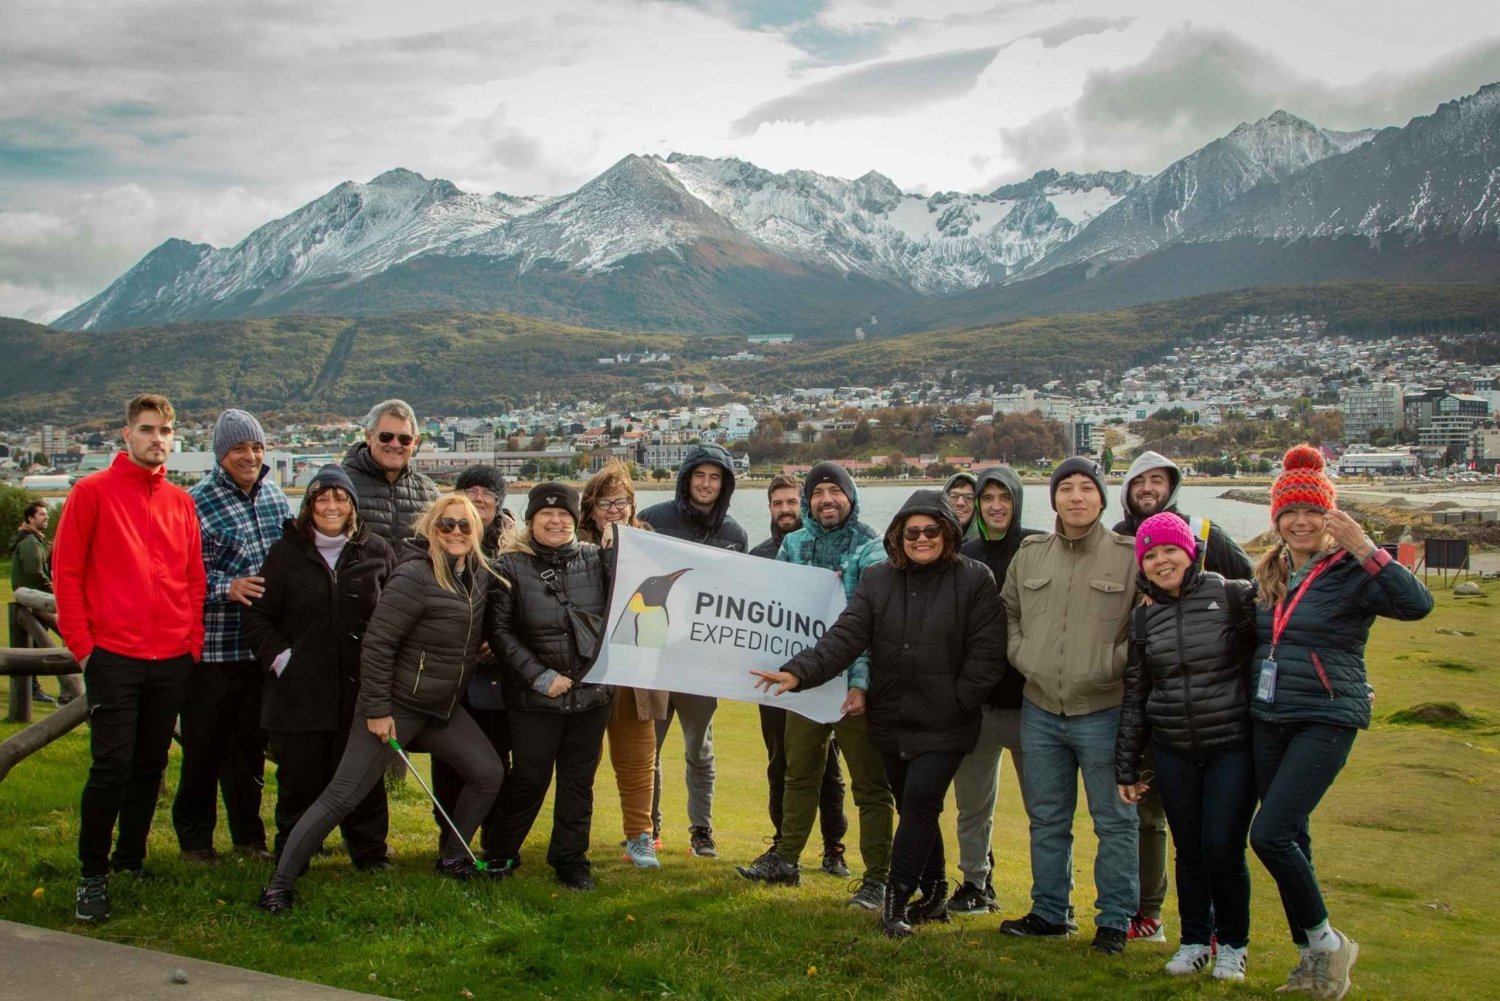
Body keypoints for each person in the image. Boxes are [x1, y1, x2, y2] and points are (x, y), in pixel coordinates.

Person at [753, 490, 1005, 938]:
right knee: (912, 806)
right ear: (899, 535)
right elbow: (845, 637)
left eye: (931, 530)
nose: (922, 539)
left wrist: (959, 701)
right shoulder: (878, 580)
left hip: (947, 723)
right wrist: (797, 673)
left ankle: (895, 901)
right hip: (892, 719)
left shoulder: (975, 579)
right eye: (912, 532)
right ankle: (934, 892)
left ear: (948, 532)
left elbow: (987, 656)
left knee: (922, 803)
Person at [255, 494, 504, 913]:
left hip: (440, 709)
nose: (456, 532)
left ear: (476, 531)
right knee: (342, 795)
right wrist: (377, 710)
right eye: (446, 525)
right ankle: (279, 884)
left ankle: (453, 857)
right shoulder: (414, 577)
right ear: (431, 530)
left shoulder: (478, 577)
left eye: (464, 525)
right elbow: (377, 644)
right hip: (397, 706)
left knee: (488, 772)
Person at [1247, 445, 1432, 999]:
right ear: (1277, 518)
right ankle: (1312, 960)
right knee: (1294, 837)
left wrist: (1370, 549)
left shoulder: (1353, 570)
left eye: (1312, 512)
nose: (1301, 522)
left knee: (1270, 834)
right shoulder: (1271, 570)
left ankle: (1329, 944)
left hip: (1325, 715)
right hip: (1268, 716)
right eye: (1290, 513)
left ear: (1330, 517)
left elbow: (1417, 605)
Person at [52, 394, 205, 923]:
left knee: (150, 764)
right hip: (113, 654)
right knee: (111, 765)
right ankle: (92, 874)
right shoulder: (90, 492)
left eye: (165, 430)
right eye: (147, 429)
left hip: (171, 656)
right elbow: (66, 574)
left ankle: (131, 859)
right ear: (126, 434)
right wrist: (84, 649)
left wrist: (192, 640)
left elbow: (192, 577)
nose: (157, 439)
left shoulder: (180, 502)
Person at [736, 462, 894, 914]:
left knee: (869, 785)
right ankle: (786, 859)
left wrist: (861, 684)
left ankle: (877, 879)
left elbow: (867, 627)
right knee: (798, 773)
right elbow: (778, 616)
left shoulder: (871, 547)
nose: (827, 499)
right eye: (819, 492)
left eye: (835, 492)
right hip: (805, 681)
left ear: (850, 496)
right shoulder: (794, 544)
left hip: (850, 683)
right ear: (809, 501)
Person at [999, 456, 1139, 954]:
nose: (1076, 497)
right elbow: (1009, 612)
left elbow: (1145, 625)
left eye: (1086, 488)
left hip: (1104, 710)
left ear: (1102, 498)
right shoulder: (1030, 553)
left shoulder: (1129, 555)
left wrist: (1110, 663)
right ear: (1053, 498)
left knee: (1114, 822)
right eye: (1066, 489)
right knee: (1047, 818)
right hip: (1039, 709)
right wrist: (1022, 654)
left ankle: (1115, 921)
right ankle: (1050, 912)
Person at [1113, 450, 1254, 942]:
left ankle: (1221, 931)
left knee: (1218, 839)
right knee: (1156, 823)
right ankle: (1151, 912)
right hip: (1157, 705)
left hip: (1220, 718)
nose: (1148, 489)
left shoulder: (1207, 532)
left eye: (1158, 480)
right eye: (1139, 481)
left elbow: (1254, 586)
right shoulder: (1118, 536)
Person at [242, 465, 396, 870]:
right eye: (322, 498)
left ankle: (369, 854)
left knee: (364, 778)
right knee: (299, 781)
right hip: (299, 693)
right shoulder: (285, 553)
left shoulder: (376, 550)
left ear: (353, 506)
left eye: (340, 498)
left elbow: (396, 613)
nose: (331, 506)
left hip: (360, 690)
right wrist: (283, 660)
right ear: (309, 505)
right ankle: (294, 854)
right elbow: (258, 619)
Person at [173, 409, 292, 864]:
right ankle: (195, 842)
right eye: (240, 448)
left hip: (259, 651)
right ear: (221, 453)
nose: (250, 456)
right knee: (203, 750)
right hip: (212, 650)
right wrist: (228, 586)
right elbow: (177, 574)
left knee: (249, 752)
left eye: (257, 447)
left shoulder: (276, 498)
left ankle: (249, 838)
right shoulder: (195, 503)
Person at [487, 483, 615, 890]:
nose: (556, 521)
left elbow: (627, 603)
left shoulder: (597, 560)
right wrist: (540, 677)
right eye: (547, 514)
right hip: (534, 698)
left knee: (579, 783)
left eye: (565, 515)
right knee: (528, 777)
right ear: (531, 520)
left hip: (591, 696)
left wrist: (615, 552)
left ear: (576, 520)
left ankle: (570, 859)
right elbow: (500, 631)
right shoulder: (510, 567)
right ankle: (500, 852)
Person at [638, 441, 748, 857]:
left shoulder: (735, 533)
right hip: (656, 657)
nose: (706, 484)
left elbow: (739, 600)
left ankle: (701, 831)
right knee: (649, 747)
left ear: (724, 484)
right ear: (686, 478)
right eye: (699, 476)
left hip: (703, 662)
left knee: (699, 749)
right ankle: (649, 828)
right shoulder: (652, 519)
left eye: (714, 477)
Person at [949, 465, 1041, 914]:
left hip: (1034, 704)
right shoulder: (965, 553)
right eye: (987, 498)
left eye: (1004, 497)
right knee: (971, 805)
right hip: (978, 707)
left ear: (1017, 500)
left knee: (1044, 811)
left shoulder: (1040, 546)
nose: (996, 506)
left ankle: (1052, 899)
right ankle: (975, 884)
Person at [747, 474, 849, 878]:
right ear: (770, 508)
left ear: (803, 504)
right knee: (781, 762)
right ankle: (782, 842)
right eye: (778, 504)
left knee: (829, 767)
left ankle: (833, 846)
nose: (786, 510)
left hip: (822, 674)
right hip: (773, 678)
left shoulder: (821, 548)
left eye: (792, 502)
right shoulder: (757, 554)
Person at [578, 461, 666, 870]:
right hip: (587, 669)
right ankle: (573, 834)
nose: (614, 510)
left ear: (633, 505)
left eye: (622, 502)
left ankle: (640, 836)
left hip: (635, 673)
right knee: (582, 757)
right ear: (590, 509)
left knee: (637, 758)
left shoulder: (653, 545)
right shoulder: (574, 548)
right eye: (605, 503)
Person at [430, 464, 512, 860]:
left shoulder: (515, 547)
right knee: (449, 763)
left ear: (500, 503)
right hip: (451, 674)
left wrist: (500, 645)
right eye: (472, 490)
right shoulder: (439, 542)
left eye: (488, 493)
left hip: (498, 677)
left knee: (496, 760)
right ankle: (449, 839)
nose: (479, 499)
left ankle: (494, 841)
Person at [9, 499, 80, 704]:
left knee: (34, 644)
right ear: (30, 518)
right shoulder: (30, 543)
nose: (46, 516)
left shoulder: (34, 540)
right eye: (41, 514)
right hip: (36, 601)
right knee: (36, 648)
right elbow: (35, 572)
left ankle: (36, 687)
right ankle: (39, 688)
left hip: (34, 599)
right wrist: (54, 591)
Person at [341, 398, 440, 545]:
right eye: (386, 437)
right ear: (368, 436)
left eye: (404, 439)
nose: (395, 444)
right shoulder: (339, 486)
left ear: (415, 442)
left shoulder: (429, 494)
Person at [944, 471, 980, 540]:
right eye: (954, 496)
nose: (960, 503)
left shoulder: (987, 542)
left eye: (968, 498)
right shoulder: (932, 537)